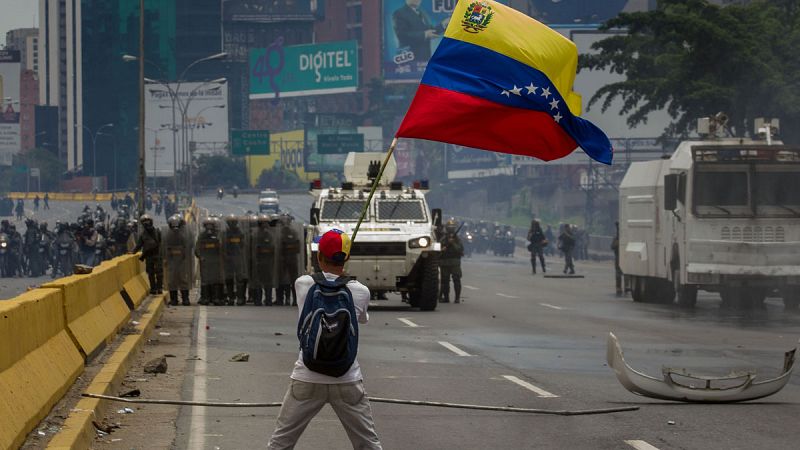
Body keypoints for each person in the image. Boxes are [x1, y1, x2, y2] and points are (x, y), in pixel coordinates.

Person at [267, 229, 381, 450]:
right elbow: (362, 319)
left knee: (280, 443)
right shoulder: (361, 291)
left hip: (306, 377)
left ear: (318, 256)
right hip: (347, 378)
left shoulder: (302, 284)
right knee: (368, 444)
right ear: (346, 258)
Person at [164, 214, 193, 306]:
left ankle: (185, 298)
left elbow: (190, 244)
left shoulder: (186, 232)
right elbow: (164, 246)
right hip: (171, 260)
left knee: (183, 278)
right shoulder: (167, 233)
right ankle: (174, 299)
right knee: (172, 279)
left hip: (183, 259)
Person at [195, 217, 225, 305]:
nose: (209, 228)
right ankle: (205, 297)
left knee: (216, 280)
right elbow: (197, 249)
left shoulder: (219, 235)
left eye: (211, 225)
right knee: (205, 280)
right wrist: (201, 257)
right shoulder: (202, 236)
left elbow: (223, 248)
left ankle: (216, 298)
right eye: (207, 225)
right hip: (206, 262)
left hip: (216, 262)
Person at [131, 214, 163, 295]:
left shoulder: (157, 231)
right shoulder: (143, 235)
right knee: (150, 273)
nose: (147, 223)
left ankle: (159, 288)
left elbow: (162, 243)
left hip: (157, 254)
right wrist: (133, 252)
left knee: (159, 272)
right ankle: (153, 288)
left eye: (148, 221)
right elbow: (139, 245)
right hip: (148, 256)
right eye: (144, 222)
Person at [222, 215, 248, 306]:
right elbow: (223, 246)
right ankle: (231, 298)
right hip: (228, 258)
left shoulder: (240, 233)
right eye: (230, 222)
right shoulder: (225, 233)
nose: (232, 224)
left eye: (233, 222)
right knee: (229, 279)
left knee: (239, 279)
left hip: (238, 258)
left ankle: (240, 298)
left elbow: (243, 246)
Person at [439, 219, 464, 303]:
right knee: (445, 281)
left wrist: (452, 243)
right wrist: (443, 248)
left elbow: (460, 250)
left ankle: (457, 298)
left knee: (456, 280)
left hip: (454, 262)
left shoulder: (457, 239)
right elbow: (438, 249)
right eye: (449, 227)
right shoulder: (443, 239)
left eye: (452, 227)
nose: (451, 229)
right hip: (445, 262)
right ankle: (446, 297)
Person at [612, 222, 622, 296]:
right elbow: (612, 247)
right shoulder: (616, 238)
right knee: (618, 273)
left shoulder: (618, 238)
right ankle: (618, 287)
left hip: (622, 256)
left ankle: (624, 287)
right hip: (618, 256)